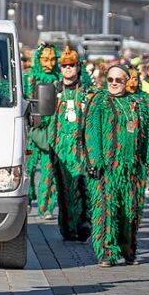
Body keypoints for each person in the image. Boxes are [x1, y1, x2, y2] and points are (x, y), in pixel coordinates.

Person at [83, 64, 149, 267]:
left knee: (130, 211)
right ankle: (107, 252)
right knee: (106, 210)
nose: (114, 83)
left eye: (118, 80)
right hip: (106, 169)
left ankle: (128, 250)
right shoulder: (99, 101)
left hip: (132, 169)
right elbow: (91, 132)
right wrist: (94, 160)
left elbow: (148, 135)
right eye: (110, 80)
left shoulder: (138, 103)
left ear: (127, 81)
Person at [49, 46, 92, 241]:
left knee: (82, 186)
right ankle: (67, 228)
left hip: (81, 148)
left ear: (78, 67)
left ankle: (83, 223)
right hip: (60, 149)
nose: (68, 69)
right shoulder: (53, 91)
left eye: (71, 65)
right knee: (64, 190)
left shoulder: (86, 92)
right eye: (64, 65)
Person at [24, 43, 59, 219]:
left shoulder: (58, 78)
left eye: (53, 59)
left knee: (48, 170)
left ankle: (46, 207)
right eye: (45, 59)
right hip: (31, 131)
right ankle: (28, 199)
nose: (49, 63)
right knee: (28, 169)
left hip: (52, 131)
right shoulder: (29, 77)